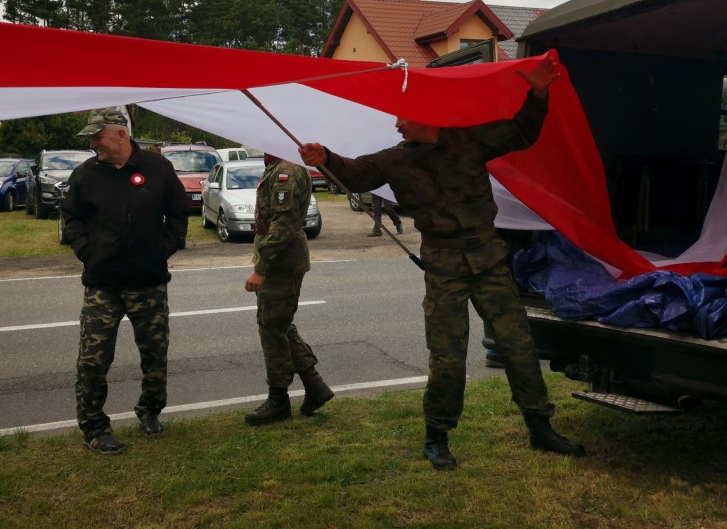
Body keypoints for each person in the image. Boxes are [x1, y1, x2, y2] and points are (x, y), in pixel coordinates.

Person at [298, 56, 586, 471]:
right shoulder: (396, 159)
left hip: (488, 259)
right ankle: (437, 437)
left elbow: (522, 131)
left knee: (518, 346)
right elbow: (357, 174)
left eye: (402, 118)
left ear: (426, 116)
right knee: (447, 357)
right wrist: (325, 156)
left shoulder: (468, 141)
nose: (397, 125)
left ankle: (541, 428)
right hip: (444, 265)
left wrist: (538, 92)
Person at [62, 107, 189, 454]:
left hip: (148, 281)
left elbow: (179, 212)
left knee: (155, 354)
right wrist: (88, 251)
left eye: (97, 136)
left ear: (120, 133)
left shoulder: (157, 167)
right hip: (103, 284)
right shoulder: (86, 174)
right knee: (92, 360)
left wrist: (163, 248)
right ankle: (94, 428)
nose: (93, 144)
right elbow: (70, 218)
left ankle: (149, 411)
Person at [243, 154, 334, 425]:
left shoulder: (286, 171)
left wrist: (262, 268)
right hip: (279, 260)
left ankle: (278, 400)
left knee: (271, 328)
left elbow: (283, 225)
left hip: (280, 263)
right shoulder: (277, 167)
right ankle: (315, 386)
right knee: (279, 324)